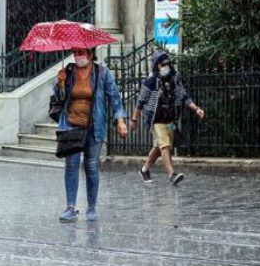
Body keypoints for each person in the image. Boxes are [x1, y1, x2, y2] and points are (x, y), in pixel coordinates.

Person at [55, 48, 128, 222]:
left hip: (94, 126)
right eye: (75, 52)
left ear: (90, 53)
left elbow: (115, 99)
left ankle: (92, 207)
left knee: (91, 166)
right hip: (71, 126)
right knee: (71, 165)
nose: (78, 56)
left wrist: (120, 120)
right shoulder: (69, 72)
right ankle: (70, 207)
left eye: (81, 52)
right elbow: (59, 98)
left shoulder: (102, 72)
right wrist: (61, 83)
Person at [130, 52, 205, 185]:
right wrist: (134, 120)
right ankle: (172, 174)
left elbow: (183, 96)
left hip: (170, 119)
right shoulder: (150, 82)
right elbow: (140, 102)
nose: (166, 66)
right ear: (156, 66)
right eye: (162, 64)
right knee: (165, 146)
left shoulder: (174, 79)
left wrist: (196, 108)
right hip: (156, 120)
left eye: (167, 64)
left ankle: (144, 169)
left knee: (159, 148)